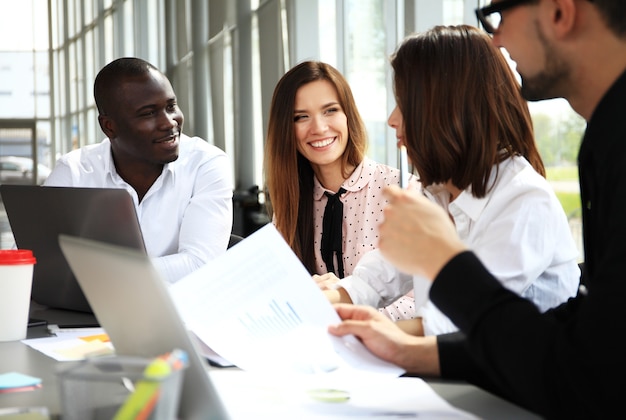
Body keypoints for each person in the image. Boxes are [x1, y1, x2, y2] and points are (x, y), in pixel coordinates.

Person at [329, 1, 626, 417]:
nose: (497, 38)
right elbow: (581, 338)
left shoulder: (527, 198)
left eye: (499, 13)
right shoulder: (433, 191)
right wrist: (349, 300)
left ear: (561, 12)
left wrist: (443, 263)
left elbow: (587, 372)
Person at [319, 24, 580, 337]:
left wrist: (359, 331)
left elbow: (457, 321)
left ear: (448, 108)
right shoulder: (437, 193)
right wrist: (318, 303)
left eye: (404, 103)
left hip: (505, 381)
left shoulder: (524, 201)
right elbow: (377, 276)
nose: (392, 119)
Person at [44, 57, 234, 284]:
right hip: (89, 316)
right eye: (148, 113)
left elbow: (200, 265)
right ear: (109, 126)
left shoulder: (206, 163)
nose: (169, 123)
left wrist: (95, 273)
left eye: (171, 106)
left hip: (181, 313)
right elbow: (36, 259)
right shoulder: (75, 171)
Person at [263, 60, 421, 320]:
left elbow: (424, 309)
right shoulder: (291, 205)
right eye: (301, 117)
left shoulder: (401, 190)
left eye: (330, 111)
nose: (319, 128)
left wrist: (343, 304)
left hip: (390, 352)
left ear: (348, 115)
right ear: (286, 129)